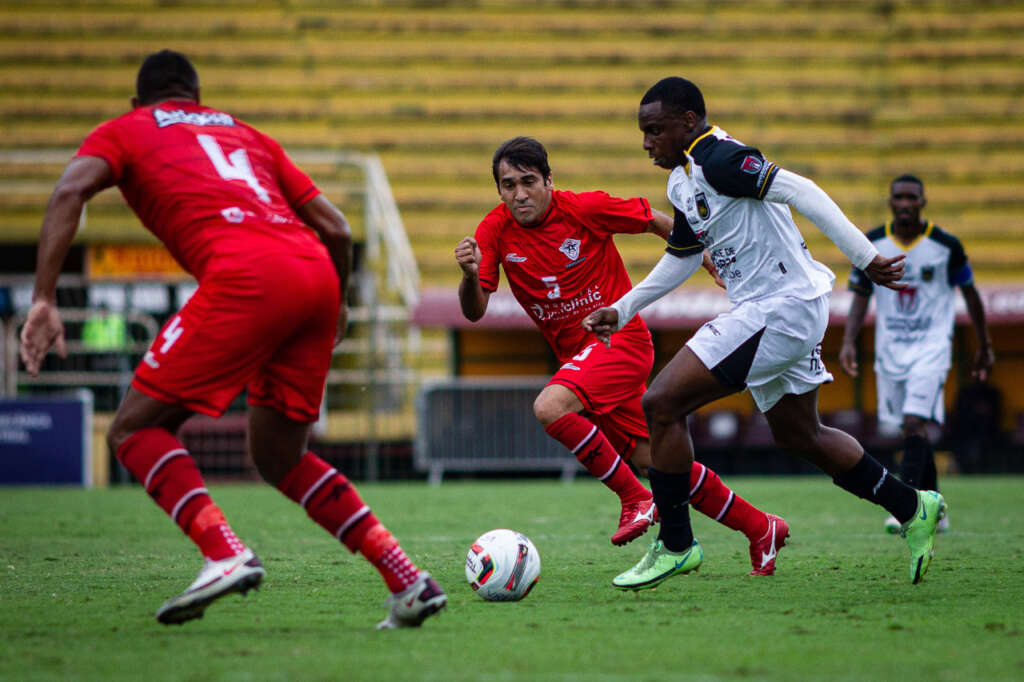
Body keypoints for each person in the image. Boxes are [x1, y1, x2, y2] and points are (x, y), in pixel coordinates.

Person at [19, 50, 446, 629]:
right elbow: (338, 226)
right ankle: (407, 580)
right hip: (315, 274)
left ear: (137, 102)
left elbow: (70, 192)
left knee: (135, 428)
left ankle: (223, 552)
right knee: (280, 456)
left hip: (247, 274)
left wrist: (44, 299)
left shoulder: (126, 130)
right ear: (197, 97)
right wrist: (340, 302)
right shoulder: (245, 132)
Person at [582, 77, 946, 590]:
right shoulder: (682, 181)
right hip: (776, 308)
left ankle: (677, 545)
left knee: (661, 403)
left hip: (783, 306)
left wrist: (867, 259)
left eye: (655, 131)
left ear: (688, 122)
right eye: (643, 132)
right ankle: (913, 505)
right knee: (800, 435)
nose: (646, 143)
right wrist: (622, 309)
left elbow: (803, 190)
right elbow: (683, 256)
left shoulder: (720, 159)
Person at [455, 136, 790, 576]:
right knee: (659, 461)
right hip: (581, 359)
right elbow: (475, 310)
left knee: (550, 407)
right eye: (508, 185)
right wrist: (467, 276)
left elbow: (652, 218)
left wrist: (702, 253)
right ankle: (760, 526)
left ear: (549, 181)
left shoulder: (583, 208)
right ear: (499, 190)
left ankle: (634, 498)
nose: (519, 194)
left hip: (621, 341)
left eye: (529, 182)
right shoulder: (493, 231)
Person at [839, 174, 994, 533]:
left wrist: (984, 344)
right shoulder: (873, 242)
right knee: (912, 430)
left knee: (913, 421)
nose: (906, 203)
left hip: (933, 346)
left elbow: (970, 294)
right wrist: (848, 342)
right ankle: (936, 510)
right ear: (890, 202)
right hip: (890, 349)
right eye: (899, 197)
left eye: (912, 197)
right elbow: (861, 295)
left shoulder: (946, 246)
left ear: (923, 201)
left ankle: (906, 507)